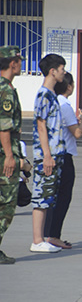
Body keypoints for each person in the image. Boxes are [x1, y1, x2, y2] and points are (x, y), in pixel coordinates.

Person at [44, 72, 82, 249]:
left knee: (50, 196)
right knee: (63, 196)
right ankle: (54, 235)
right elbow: (77, 133)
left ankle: (46, 233)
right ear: (69, 87)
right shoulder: (65, 105)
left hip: (52, 153)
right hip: (64, 155)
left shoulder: (51, 101)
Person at [30, 54, 66, 253]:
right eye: (62, 68)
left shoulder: (51, 94)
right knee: (41, 196)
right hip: (47, 154)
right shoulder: (43, 94)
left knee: (48, 196)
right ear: (53, 70)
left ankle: (41, 239)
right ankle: (37, 240)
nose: (64, 72)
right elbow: (41, 126)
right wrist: (46, 155)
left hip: (55, 153)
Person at [0, 47, 23, 264]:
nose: (21, 64)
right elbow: (4, 127)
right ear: (12, 63)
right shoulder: (5, 90)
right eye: (19, 60)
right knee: (6, 205)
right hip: (3, 156)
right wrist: (9, 156)